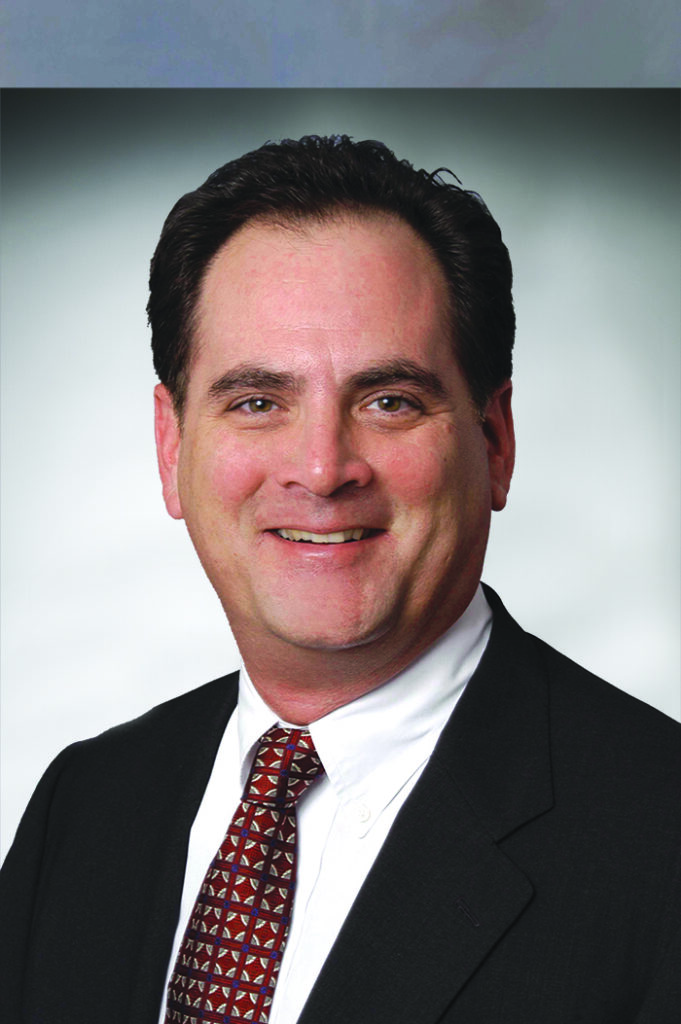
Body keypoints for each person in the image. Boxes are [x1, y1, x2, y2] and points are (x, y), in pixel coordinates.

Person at [1, 135, 679, 1024]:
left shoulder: (658, 836)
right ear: (172, 448)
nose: (321, 470)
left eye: (389, 401)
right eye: (257, 402)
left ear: (494, 441)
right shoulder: (86, 805)